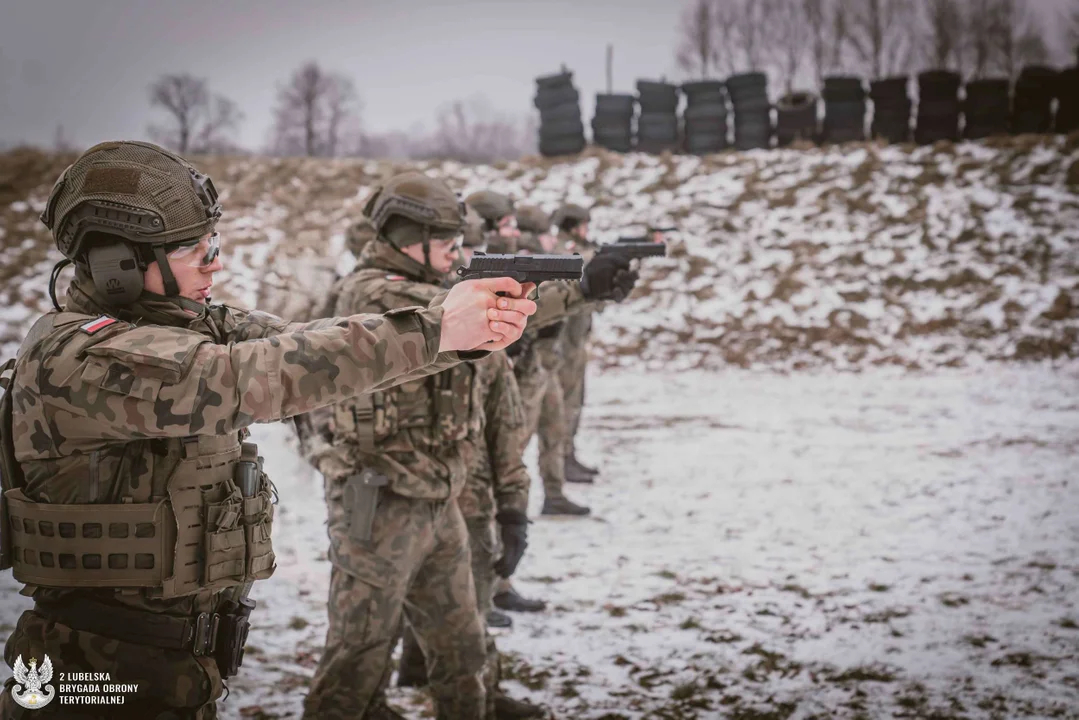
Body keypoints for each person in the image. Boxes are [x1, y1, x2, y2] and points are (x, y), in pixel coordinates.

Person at [0, 141, 536, 720]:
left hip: (174, 668)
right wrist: (436, 330)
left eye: (215, 247)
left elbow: (312, 344)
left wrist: (460, 339)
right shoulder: (78, 357)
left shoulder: (184, 322)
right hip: (95, 675)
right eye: (196, 251)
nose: (215, 265)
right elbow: (252, 377)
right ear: (116, 263)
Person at [551, 203, 601, 485]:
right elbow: (575, 265)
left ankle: (569, 456)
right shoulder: (563, 247)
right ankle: (561, 461)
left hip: (576, 338)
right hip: (565, 341)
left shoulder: (581, 247)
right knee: (565, 403)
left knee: (575, 401)